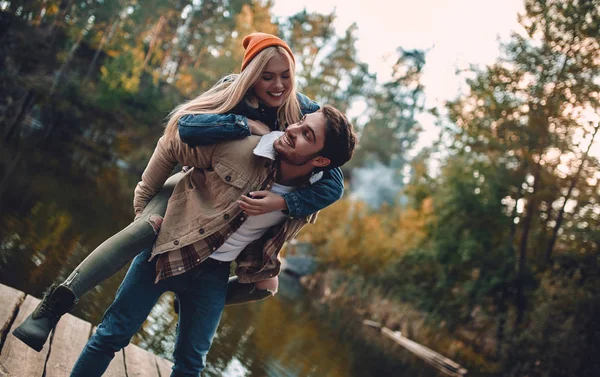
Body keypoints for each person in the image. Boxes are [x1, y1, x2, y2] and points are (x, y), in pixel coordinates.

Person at [11, 33, 344, 352]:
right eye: (267, 77)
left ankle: (192, 298)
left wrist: (286, 202)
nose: (279, 85)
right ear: (251, 77)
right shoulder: (234, 92)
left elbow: (334, 180)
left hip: (224, 212)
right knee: (143, 229)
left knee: (265, 284)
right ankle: (53, 305)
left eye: (285, 75)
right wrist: (243, 125)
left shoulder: (301, 107)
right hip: (187, 187)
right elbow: (184, 130)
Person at [70, 105, 356, 376]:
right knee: (111, 335)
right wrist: (144, 209)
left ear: (320, 161)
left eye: (308, 134)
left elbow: (325, 196)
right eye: (300, 123)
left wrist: (281, 208)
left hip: (212, 275)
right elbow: (175, 143)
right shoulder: (247, 147)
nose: (294, 129)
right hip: (167, 248)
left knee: (190, 366)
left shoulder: (308, 199)